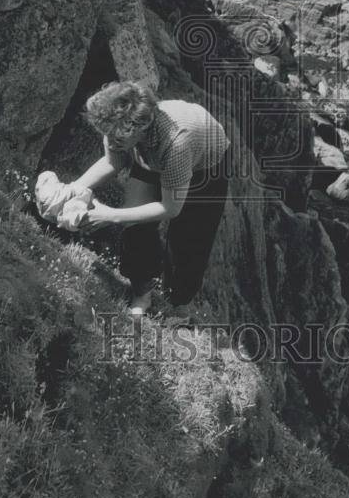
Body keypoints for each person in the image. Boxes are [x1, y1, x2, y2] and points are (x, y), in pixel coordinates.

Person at [59, 80, 231, 319]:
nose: (110, 140)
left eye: (117, 137)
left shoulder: (176, 142)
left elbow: (170, 209)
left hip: (205, 167)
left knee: (188, 244)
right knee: (135, 224)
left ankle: (177, 303)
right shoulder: (118, 129)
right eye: (107, 134)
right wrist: (72, 188)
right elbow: (113, 162)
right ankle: (142, 293)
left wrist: (110, 215)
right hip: (152, 154)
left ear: (140, 126)